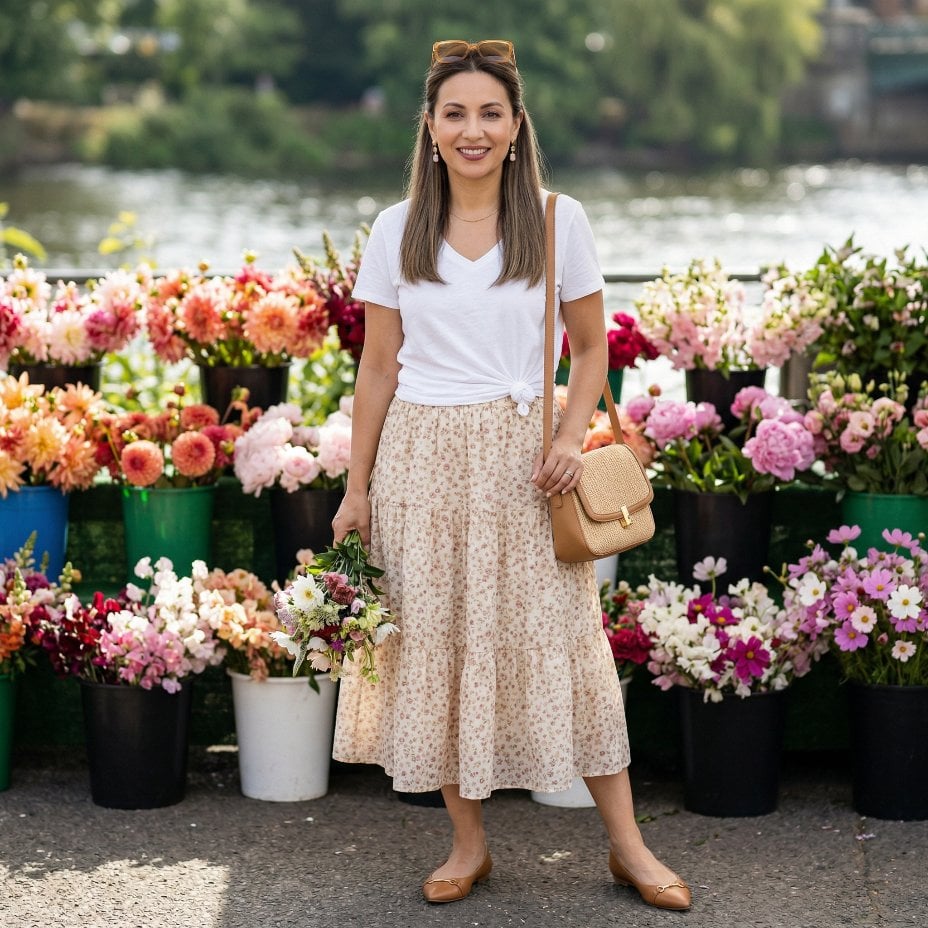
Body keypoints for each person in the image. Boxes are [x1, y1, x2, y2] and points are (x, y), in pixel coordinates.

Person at [330, 38, 691, 912]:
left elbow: (594, 351)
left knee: (568, 639)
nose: (473, 129)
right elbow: (378, 367)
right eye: (455, 113)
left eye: (491, 112)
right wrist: (357, 486)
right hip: (420, 459)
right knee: (440, 644)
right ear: (429, 126)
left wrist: (571, 435)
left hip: (528, 464)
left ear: (517, 124)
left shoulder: (559, 220)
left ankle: (629, 847)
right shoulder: (394, 227)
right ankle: (468, 844)